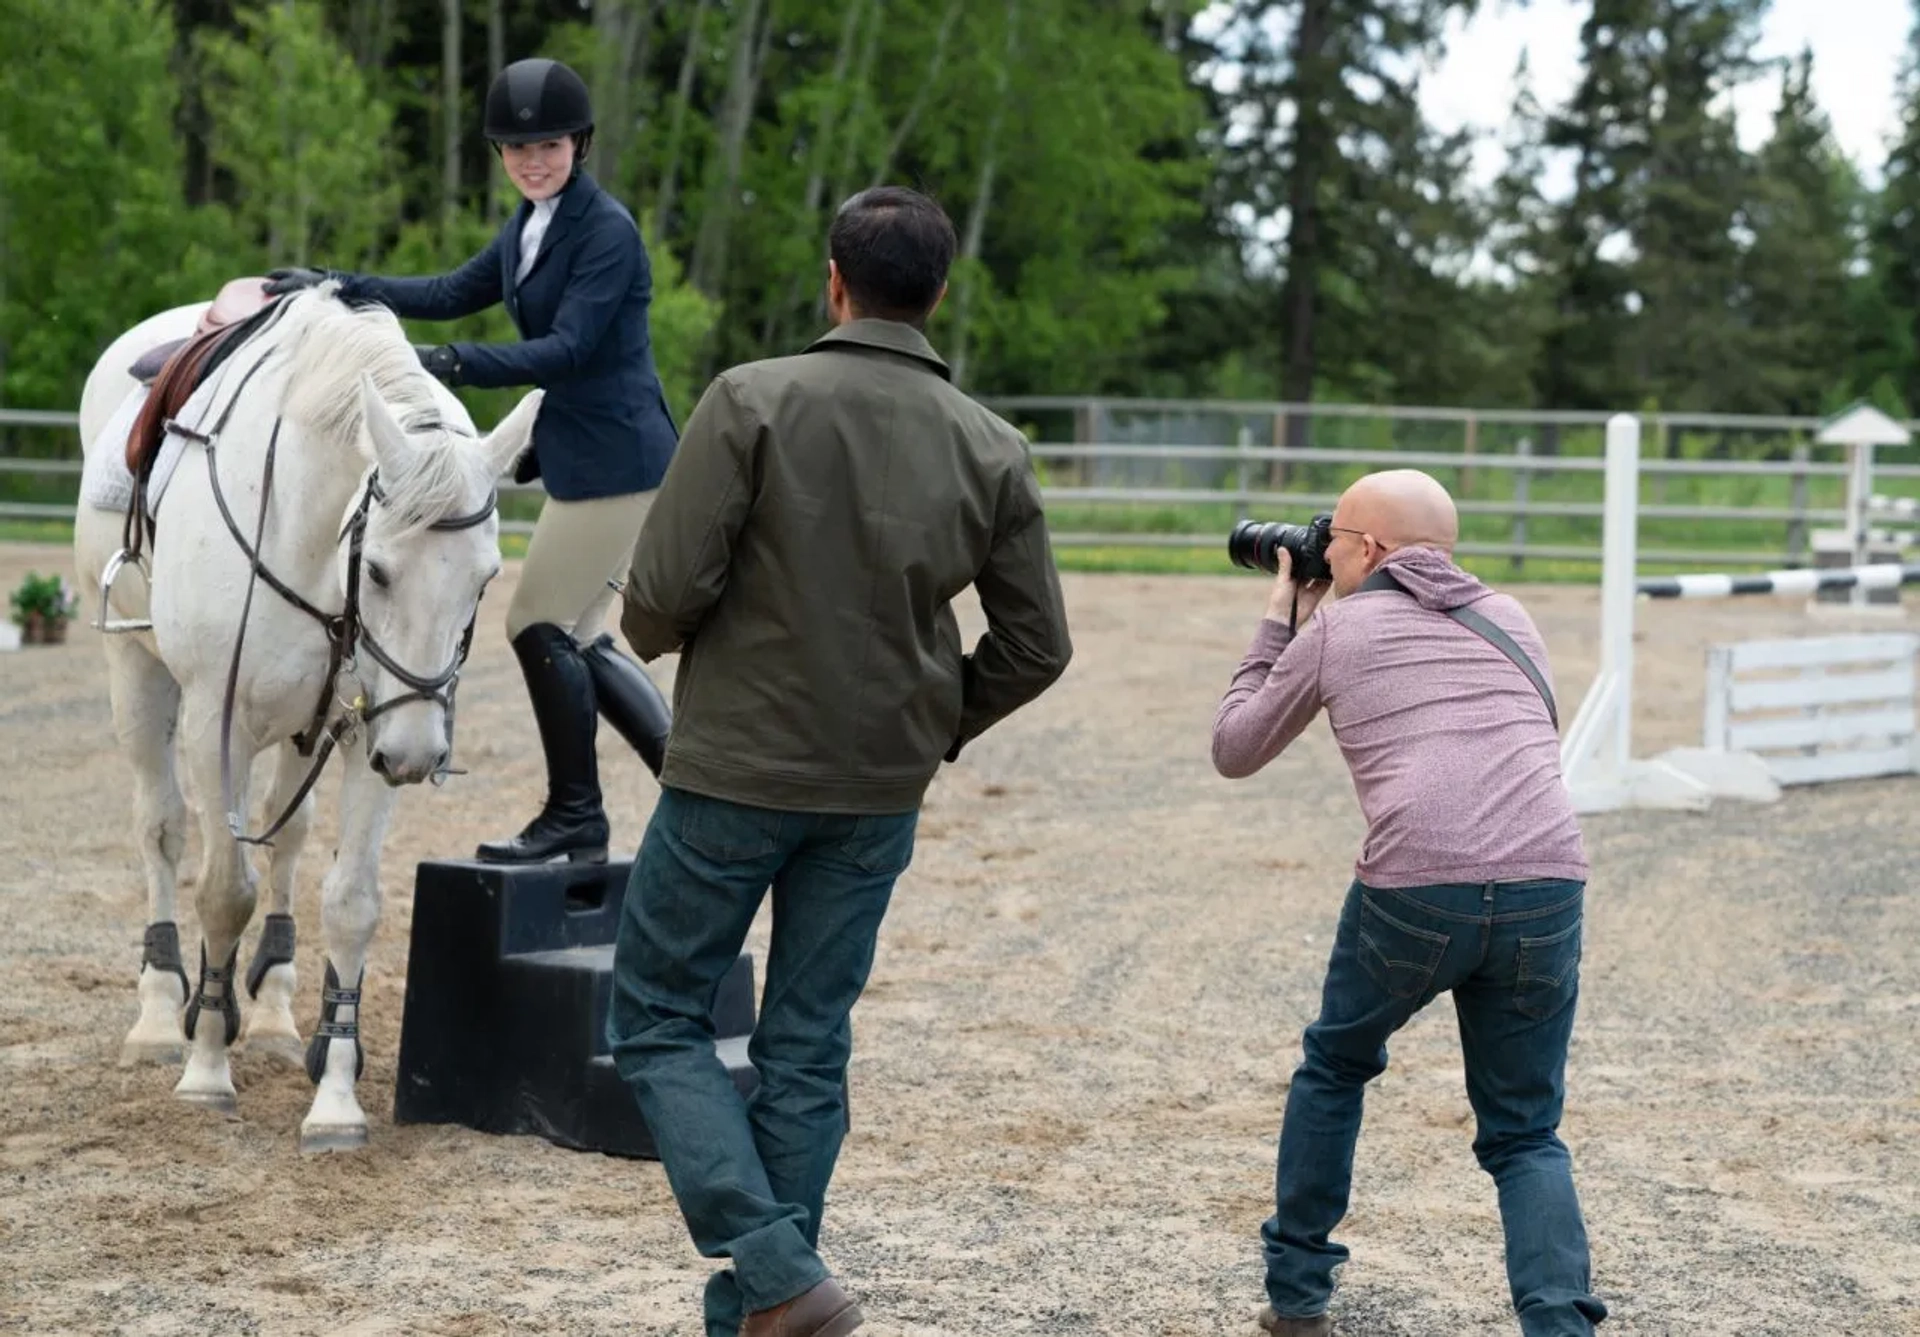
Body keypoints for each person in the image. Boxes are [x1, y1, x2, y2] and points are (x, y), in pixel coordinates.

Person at [606, 186, 1073, 1337]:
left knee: (659, 1012)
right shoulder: (992, 444)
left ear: (834, 281)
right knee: (806, 1040)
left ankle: (770, 1264)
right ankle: (768, 1305)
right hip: (877, 792)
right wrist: (937, 719)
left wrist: (663, 635)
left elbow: (659, 599)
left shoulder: (750, 399)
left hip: (732, 771)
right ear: (938, 295)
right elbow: (1038, 645)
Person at [1211, 470, 1606, 1337]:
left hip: (1416, 889)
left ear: (1371, 550)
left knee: (1336, 1065)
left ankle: (1298, 1295)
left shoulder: (1340, 627)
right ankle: (1559, 1322)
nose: (1327, 550)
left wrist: (1280, 620)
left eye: (1337, 538)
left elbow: (1234, 748)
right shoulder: (1512, 617)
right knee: (1526, 1131)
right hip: (1548, 879)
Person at [264, 56, 676, 865]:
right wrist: (342, 284)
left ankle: (576, 814)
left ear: (580, 144)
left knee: (536, 625)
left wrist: (446, 364)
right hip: (583, 457)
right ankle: (689, 787)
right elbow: (454, 288)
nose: (532, 161)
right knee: (582, 638)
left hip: (619, 461)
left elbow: (568, 349)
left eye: (548, 146)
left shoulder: (606, 233)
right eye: (516, 149)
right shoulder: (532, 225)